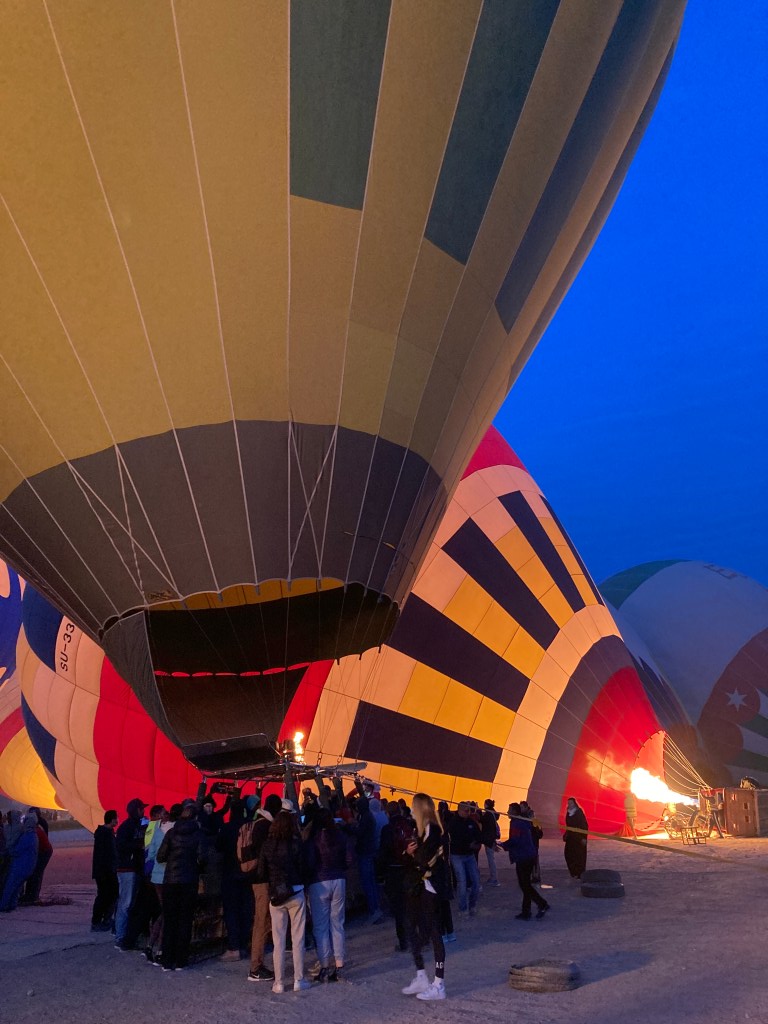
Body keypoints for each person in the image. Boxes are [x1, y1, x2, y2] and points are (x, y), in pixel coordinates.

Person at [401, 793, 450, 1001]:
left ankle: (439, 984)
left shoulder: (433, 829)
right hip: (421, 886)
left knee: (434, 932)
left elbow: (424, 858)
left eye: (414, 807)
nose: (412, 811)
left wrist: (413, 854)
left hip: (432, 887)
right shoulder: (422, 831)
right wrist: (408, 853)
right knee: (412, 927)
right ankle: (421, 975)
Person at [259, 807, 310, 994]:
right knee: (298, 939)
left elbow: (261, 872)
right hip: (295, 890)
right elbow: (304, 867)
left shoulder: (267, 845)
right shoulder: (296, 843)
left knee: (278, 940)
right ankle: (299, 979)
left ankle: (279, 982)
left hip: (276, 894)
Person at [156, 798, 206, 971]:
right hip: (189, 881)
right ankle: (181, 960)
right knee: (185, 920)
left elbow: (160, 856)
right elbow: (203, 858)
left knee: (170, 919)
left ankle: (167, 960)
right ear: (195, 817)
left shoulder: (171, 833)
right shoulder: (198, 834)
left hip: (170, 881)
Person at [305, 807, 353, 982]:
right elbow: (349, 859)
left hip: (319, 881)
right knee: (337, 923)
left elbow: (310, 862)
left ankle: (325, 965)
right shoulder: (340, 835)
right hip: (339, 879)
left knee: (320, 926)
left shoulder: (314, 838)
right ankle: (339, 963)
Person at [242, 793, 282, 983]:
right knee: (262, 921)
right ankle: (255, 967)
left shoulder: (258, 823)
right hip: (263, 880)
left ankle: (258, 964)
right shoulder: (265, 826)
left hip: (258, 879)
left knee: (263, 921)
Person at [216, 798, 254, 963]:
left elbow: (218, 847)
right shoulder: (250, 826)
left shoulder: (227, 827)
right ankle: (243, 945)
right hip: (247, 873)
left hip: (230, 873)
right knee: (245, 910)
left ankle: (234, 947)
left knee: (231, 911)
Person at [378, 801, 416, 952]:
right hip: (409, 869)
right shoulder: (409, 825)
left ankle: (404, 942)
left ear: (387, 813)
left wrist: (380, 873)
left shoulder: (387, 829)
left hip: (394, 871)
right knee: (412, 905)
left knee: (399, 909)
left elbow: (383, 852)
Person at [503, 803, 549, 920]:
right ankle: (527, 911)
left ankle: (541, 904)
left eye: (509, 810)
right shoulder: (525, 821)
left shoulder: (517, 823)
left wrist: (503, 845)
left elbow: (515, 840)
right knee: (525, 884)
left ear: (515, 812)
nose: (507, 812)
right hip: (529, 854)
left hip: (524, 856)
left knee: (525, 885)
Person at [114, 798, 147, 949]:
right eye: (141, 809)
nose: (143, 811)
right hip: (127, 869)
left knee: (132, 904)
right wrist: (138, 846)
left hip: (137, 869)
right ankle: (120, 936)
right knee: (126, 903)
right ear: (136, 810)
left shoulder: (140, 825)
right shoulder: (125, 827)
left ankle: (127, 935)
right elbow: (120, 846)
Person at [0, 811, 39, 912]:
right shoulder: (32, 835)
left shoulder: (27, 836)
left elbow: (17, 850)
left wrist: (8, 851)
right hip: (26, 865)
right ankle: (12, 904)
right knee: (16, 886)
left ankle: (3, 905)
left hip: (20, 865)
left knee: (10, 885)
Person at [447, 801, 481, 916]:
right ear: (460, 810)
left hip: (469, 855)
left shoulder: (471, 822)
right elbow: (455, 840)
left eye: (469, 810)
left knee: (476, 881)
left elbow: (478, 835)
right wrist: (468, 845)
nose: (468, 813)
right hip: (457, 855)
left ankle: (472, 905)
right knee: (462, 882)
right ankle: (463, 908)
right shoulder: (453, 823)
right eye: (466, 811)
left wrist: (479, 843)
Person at [354, 796, 382, 923]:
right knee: (371, 882)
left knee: (368, 883)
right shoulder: (368, 816)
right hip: (369, 851)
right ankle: (376, 909)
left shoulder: (365, 818)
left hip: (365, 852)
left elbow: (359, 833)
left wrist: (347, 827)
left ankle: (374, 910)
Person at [91, 809, 119, 931]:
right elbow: (103, 855)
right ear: (112, 819)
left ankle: (105, 919)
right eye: (116, 818)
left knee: (111, 894)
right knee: (104, 895)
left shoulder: (107, 833)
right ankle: (97, 921)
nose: (117, 820)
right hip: (104, 871)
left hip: (108, 870)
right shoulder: (104, 834)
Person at [20, 811, 53, 904]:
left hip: (43, 852)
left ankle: (32, 895)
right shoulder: (36, 828)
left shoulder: (34, 832)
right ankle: (32, 894)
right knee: (35, 873)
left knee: (36, 873)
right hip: (42, 851)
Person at [563, 796, 589, 878]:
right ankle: (573, 871)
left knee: (579, 855)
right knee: (568, 854)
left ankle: (579, 873)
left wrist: (583, 837)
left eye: (571, 803)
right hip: (571, 838)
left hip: (578, 838)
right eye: (568, 803)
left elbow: (584, 825)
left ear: (574, 804)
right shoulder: (568, 813)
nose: (569, 804)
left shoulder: (579, 812)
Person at [479, 799, 501, 887]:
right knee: (491, 858)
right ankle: (493, 877)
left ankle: (494, 878)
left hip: (489, 839)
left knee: (491, 859)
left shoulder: (488, 814)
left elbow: (481, 820)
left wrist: (478, 811)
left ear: (486, 804)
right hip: (491, 838)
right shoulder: (493, 813)